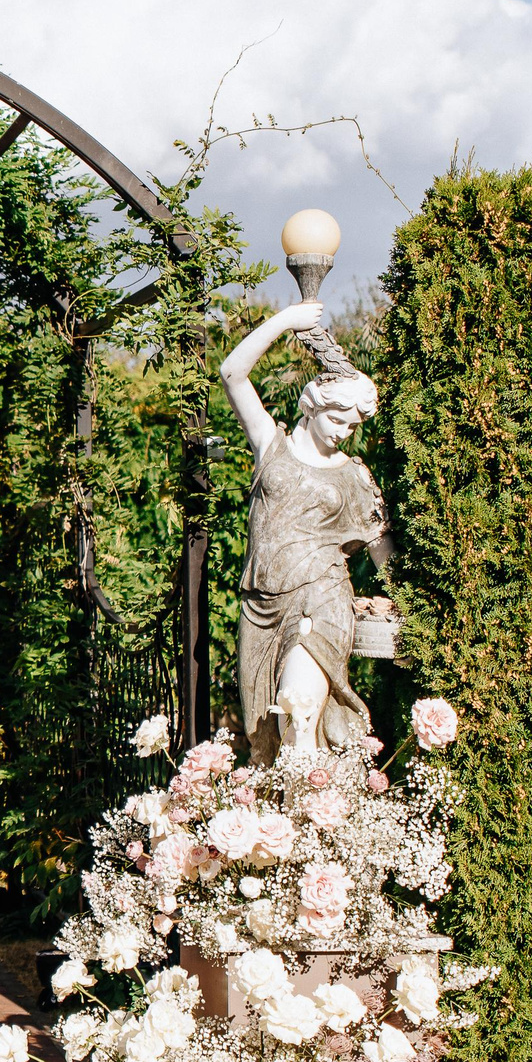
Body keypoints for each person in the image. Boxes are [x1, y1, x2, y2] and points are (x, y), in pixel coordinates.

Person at [217, 300, 391, 762]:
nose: (342, 433)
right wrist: (286, 321)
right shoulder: (271, 445)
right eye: (337, 420)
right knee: (266, 737)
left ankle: (312, 819)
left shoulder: (354, 476)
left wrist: (396, 600)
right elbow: (232, 373)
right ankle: (300, 822)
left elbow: (381, 548)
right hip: (263, 603)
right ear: (313, 405)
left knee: (301, 712)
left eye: (352, 426)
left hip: (322, 597)